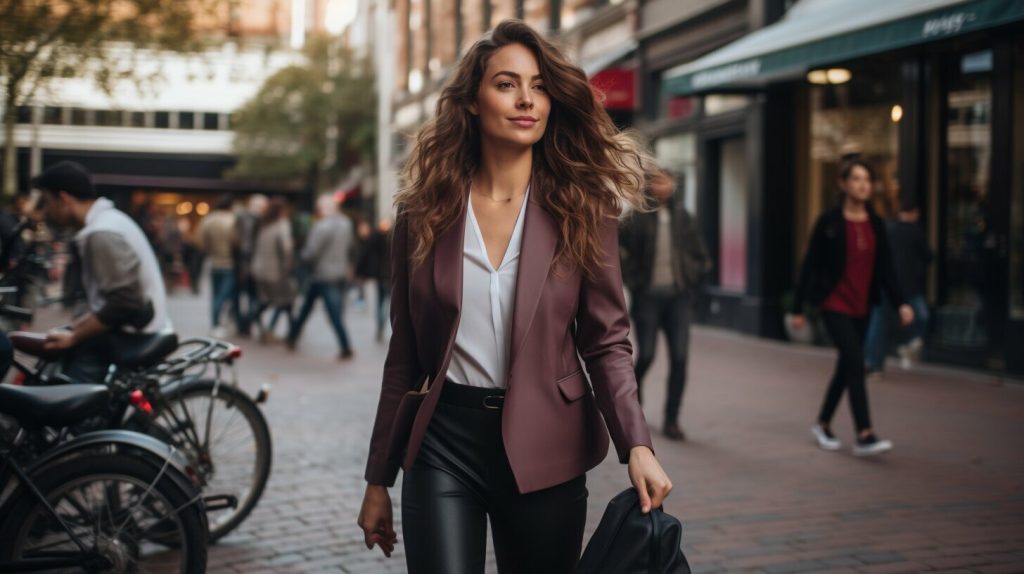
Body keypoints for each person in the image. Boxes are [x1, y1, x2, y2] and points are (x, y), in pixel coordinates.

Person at [357, 20, 672, 573]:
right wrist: (378, 478)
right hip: (442, 444)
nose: (527, 98)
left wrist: (636, 445)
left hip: (547, 441)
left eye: (540, 85)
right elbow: (405, 353)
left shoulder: (582, 206)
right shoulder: (424, 210)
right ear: (473, 101)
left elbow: (607, 341)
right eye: (506, 84)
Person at [791, 158, 913, 457]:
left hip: (863, 305)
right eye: (857, 179)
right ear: (843, 184)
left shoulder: (875, 223)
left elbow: (886, 268)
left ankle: (822, 422)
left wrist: (901, 303)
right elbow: (810, 265)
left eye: (867, 180)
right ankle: (864, 433)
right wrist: (798, 308)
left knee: (847, 366)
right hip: (834, 303)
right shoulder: (829, 221)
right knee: (857, 360)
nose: (863, 185)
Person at [31, 161, 170, 383]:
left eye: (47, 203)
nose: (46, 212)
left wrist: (75, 336)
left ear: (64, 199)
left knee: (69, 398)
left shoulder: (102, 233)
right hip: (135, 326)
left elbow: (124, 301)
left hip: (133, 333)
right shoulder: (108, 221)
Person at [619, 168, 710, 441]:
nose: (663, 184)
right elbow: (617, 250)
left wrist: (692, 276)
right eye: (657, 179)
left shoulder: (684, 217)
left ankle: (672, 419)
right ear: (650, 184)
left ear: (673, 184)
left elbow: (701, 255)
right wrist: (634, 281)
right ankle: (635, 400)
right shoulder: (637, 216)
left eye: (667, 179)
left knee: (680, 359)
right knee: (645, 355)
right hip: (648, 298)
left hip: (678, 299)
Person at [863, 200, 933, 373]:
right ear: (914, 213)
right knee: (922, 316)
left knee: (878, 324)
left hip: (886, 285)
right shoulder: (915, 231)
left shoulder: (888, 229)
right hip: (906, 287)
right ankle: (909, 341)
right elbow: (929, 256)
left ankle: (873, 364)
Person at [286, 194, 356, 359]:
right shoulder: (346, 223)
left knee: (328, 312)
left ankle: (345, 346)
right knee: (318, 309)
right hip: (339, 272)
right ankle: (292, 336)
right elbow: (351, 247)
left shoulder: (321, 226)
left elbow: (311, 253)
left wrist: (299, 256)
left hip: (322, 275)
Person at [250, 197, 295, 342]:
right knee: (286, 301)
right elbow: (286, 248)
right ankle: (290, 333)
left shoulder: (264, 224)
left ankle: (263, 327)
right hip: (276, 271)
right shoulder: (282, 224)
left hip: (259, 269)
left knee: (266, 301)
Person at [198, 194, 238, 338]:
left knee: (216, 294)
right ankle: (218, 323)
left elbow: (201, 242)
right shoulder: (232, 220)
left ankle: (215, 322)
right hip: (229, 263)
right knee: (223, 295)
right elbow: (236, 242)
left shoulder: (208, 220)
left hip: (213, 262)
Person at [233, 194, 266, 337]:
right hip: (248, 264)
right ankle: (245, 324)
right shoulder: (252, 220)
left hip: (244, 263)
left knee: (242, 297)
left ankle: (243, 324)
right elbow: (245, 245)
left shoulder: (242, 218)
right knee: (251, 296)